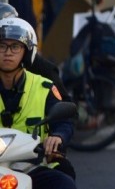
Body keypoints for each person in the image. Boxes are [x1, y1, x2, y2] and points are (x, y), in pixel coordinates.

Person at [0, 17, 76, 189]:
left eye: (15, 46)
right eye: (2, 46)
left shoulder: (44, 87)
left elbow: (64, 121)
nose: (8, 52)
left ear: (27, 51)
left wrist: (58, 136)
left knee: (64, 184)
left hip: (32, 165)